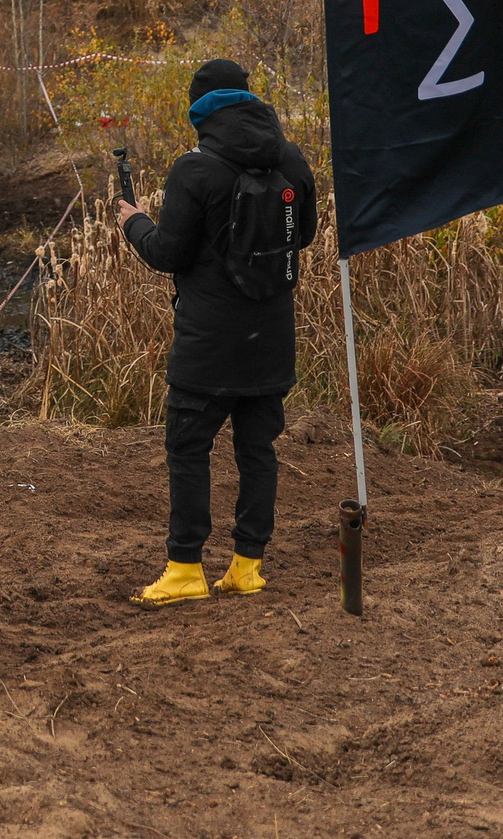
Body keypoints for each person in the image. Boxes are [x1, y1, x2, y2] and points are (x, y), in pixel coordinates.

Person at [115, 59, 317, 606]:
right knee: (258, 450)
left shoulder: (194, 169)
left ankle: (184, 569)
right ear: (247, 99)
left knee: (187, 448)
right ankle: (247, 566)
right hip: (271, 338)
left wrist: (132, 219)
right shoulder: (291, 157)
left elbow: (166, 253)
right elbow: (307, 235)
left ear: (199, 108)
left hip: (208, 343)